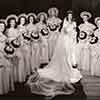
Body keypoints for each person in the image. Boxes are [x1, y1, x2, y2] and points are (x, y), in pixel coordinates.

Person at [26, 10, 82, 99]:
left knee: (70, 53)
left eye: (71, 15)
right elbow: (64, 31)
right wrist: (67, 31)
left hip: (71, 39)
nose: (70, 17)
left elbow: (74, 31)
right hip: (66, 39)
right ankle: (63, 66)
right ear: (67, 16)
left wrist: (72, 33)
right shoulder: (65, 21)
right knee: (64, 53)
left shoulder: (74, 23)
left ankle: (69, 64)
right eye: (69, 15)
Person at [0, 19, 13, 94]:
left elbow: (6, 45)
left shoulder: (4, 35)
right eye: (0, 26)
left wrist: (8, 51)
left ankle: (5, 88)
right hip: (1, 53)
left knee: (7, 68)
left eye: (3, 26)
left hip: (5, 52)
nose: (2, 27)